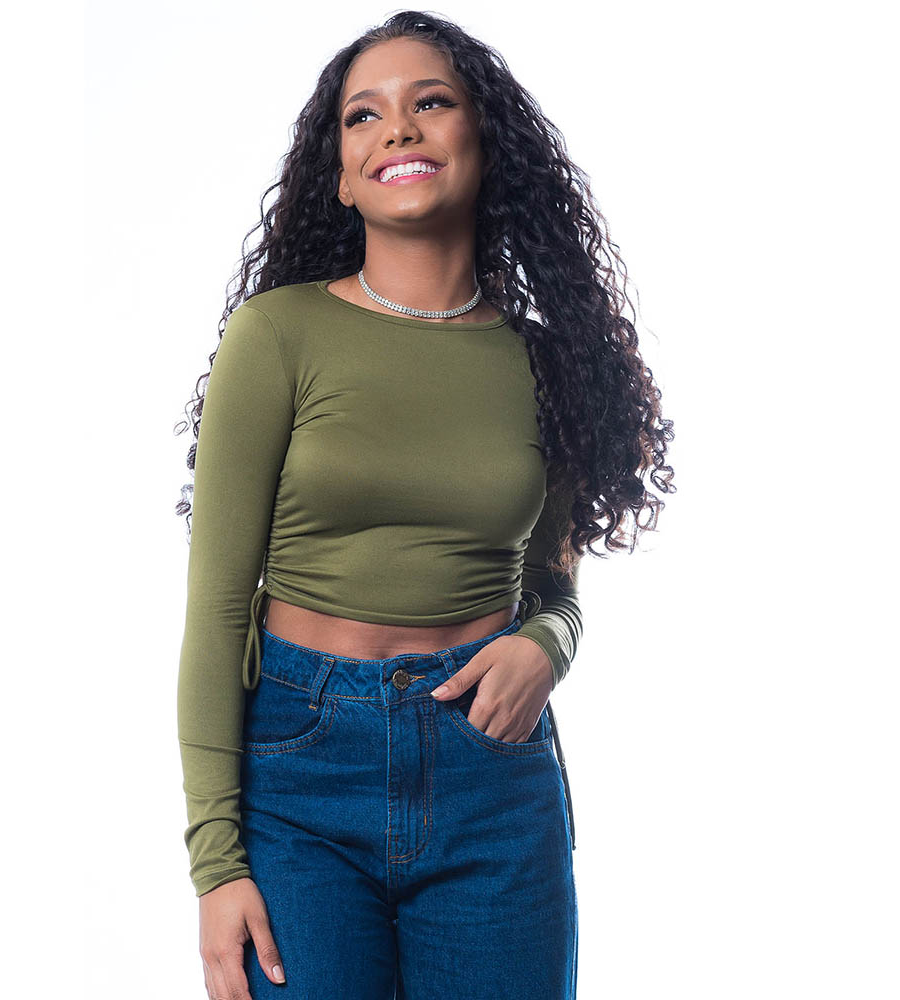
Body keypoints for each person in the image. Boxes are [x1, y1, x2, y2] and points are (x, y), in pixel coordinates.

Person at [174, 12, 675, 1000]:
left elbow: (555, 588)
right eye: (363, 116)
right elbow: (219, 608)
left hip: (491, 765)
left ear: (485, 143)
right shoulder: (276, 335)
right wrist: (216, 864)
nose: (397, 128)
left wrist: (548, 646)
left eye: (430, 102)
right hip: (299, 774)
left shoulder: (545, 361)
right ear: (341, 175)